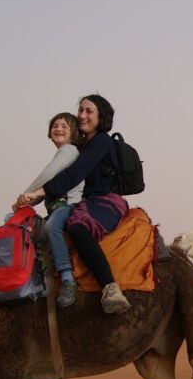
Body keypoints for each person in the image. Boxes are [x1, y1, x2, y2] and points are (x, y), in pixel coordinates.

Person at [17, 94, 131, 314]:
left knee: (76, 225)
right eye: (80, 110)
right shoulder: (84, 145)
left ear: (101, 116)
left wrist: (37, 193)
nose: (82, 115)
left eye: (89, 111)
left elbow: (75, 174)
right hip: (88, 202)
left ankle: (110, 287)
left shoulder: (101, 141)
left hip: (107, 201)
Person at [12, 112, 84, 307]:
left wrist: (24, 198)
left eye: (64, 126)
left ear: (73, 133)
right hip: (56, 208)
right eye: (55, 126)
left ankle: (67, 278)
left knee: (52, 226)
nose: (58, 129)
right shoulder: (62, 154)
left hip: (69, 205)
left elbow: (47, 176)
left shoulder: (69, 151)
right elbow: (47, 186)